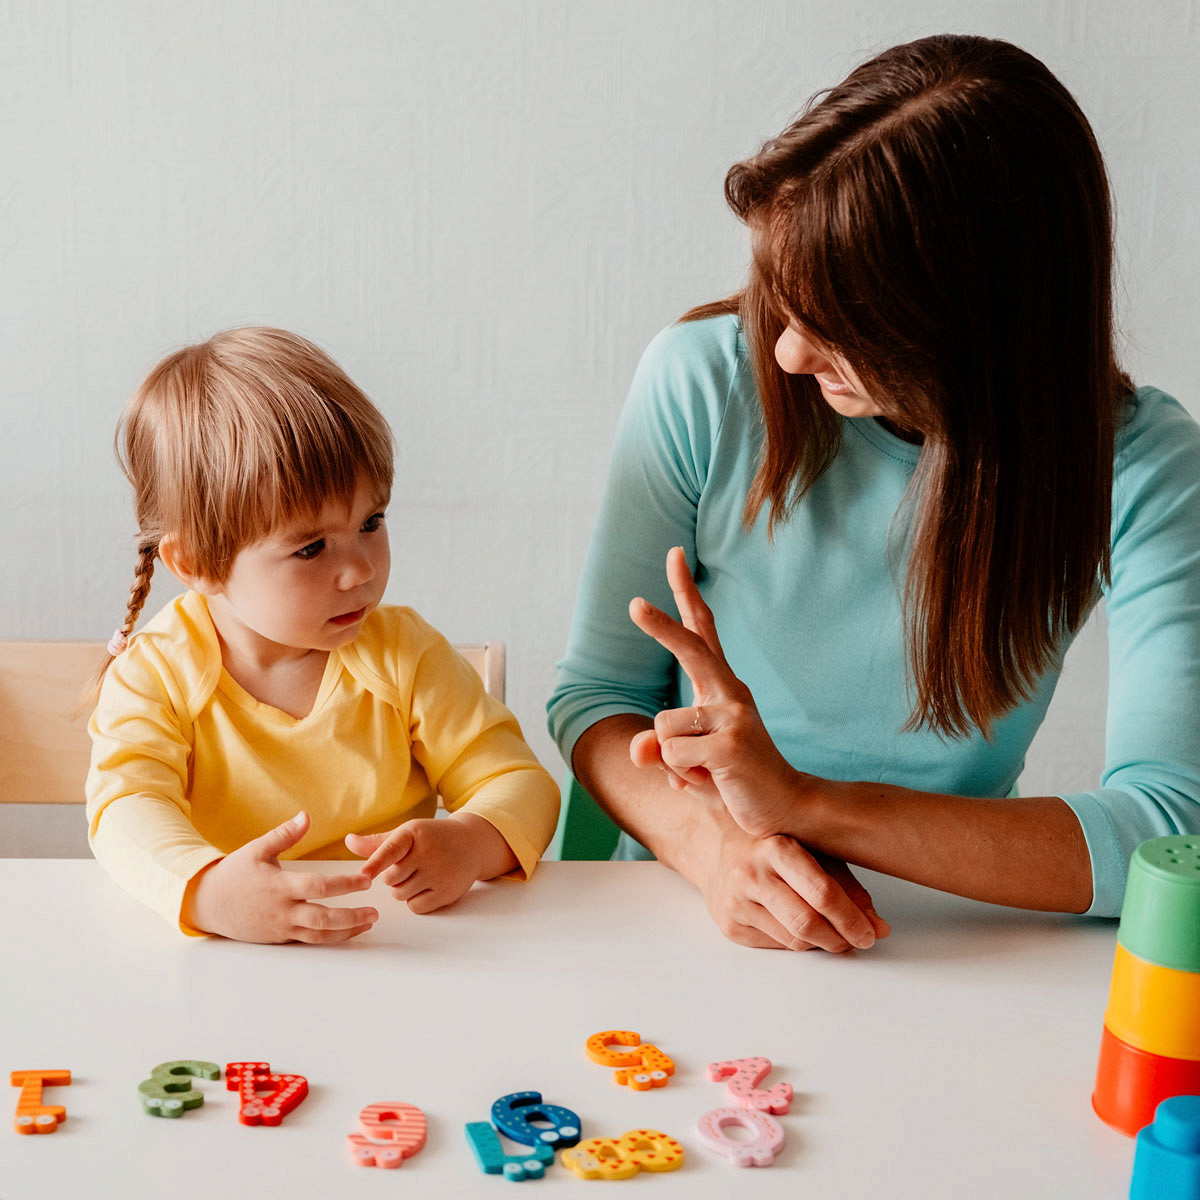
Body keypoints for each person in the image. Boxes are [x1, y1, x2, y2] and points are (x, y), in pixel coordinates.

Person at [548, 34, 1200, 952]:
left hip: (951, 941)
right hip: (687, 927)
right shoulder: (702, 381)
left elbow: (1171, 831)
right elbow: (597, 696)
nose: (787, 353)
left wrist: (810, 806)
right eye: (785, 300)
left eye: (842, 327)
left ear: (978, 332)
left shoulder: (1142, 470)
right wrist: (718, 851)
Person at [86, 327, 559, 942]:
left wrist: (471, 843)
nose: (360, 569)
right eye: (310, 548)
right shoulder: (158, 673)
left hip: (394, 951)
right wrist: (206, 892)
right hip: (229, 964)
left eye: (372, 521)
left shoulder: (405, 654)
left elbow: (520, 783)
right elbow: (124, 810)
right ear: (197, 563)